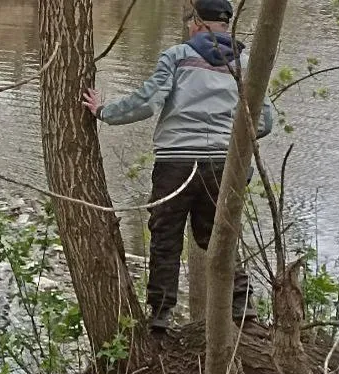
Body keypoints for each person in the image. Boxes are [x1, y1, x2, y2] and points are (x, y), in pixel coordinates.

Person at [81, 0, 275, 332]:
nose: (188, 26)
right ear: (226, 25)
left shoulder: (178, 56)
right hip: (222, 166)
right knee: (219, 237)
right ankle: (244, 312)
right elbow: (266, 121)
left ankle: (160, 319)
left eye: (189, 20)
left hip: (176, 164)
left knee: (166, 238)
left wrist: (104, 111)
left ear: (199, 22)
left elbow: (147, 102)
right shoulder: (245, 62)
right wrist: (226, 135)